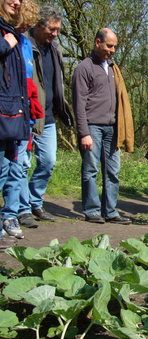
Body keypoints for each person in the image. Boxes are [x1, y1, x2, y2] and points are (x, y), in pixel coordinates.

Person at [15, 4, 74, 229]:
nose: (55, 33)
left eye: (58, 29)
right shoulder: (25, 45)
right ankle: (23, 209)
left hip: (49, 115)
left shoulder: (55, 48)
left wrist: (61, 106)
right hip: (28, 114)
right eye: (51, 29)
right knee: (22, 164)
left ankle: (35, 200)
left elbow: (57, 81)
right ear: (38, 26)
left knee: (48, 161)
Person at [72, 28, 134, 224]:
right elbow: (79, 103)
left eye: (114, 46)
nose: (113, 50)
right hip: (92, 127)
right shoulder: (84, 68)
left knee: (113, 171)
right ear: (97, 42)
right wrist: (84, 133)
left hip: (112, 128)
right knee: (91, 170)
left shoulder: (113, 68)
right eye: (109, 45)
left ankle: (111, 211)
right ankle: (92, 210)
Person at [0, 0, 41, 239]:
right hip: (5, 110)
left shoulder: (18, 39)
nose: (16, 2)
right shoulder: (9, 39)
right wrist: (4, 44)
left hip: (16, 111)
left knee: (12, 167)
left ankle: (9, 214)